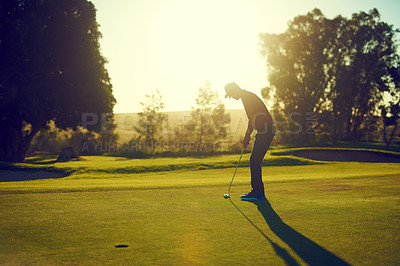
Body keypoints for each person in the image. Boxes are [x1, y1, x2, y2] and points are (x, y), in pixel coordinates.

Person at [225, 82, 275, 200]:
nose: (231, 97)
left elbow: (252, 119)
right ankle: (258, 191)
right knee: (255, 160)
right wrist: (248, 136)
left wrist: (247, 136)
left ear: (235, 90)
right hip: (266, 129)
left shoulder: (247, 98)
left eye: (231, 94)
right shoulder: (246, 96)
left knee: (254, 160)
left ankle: (258, 192)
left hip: (265, 129)